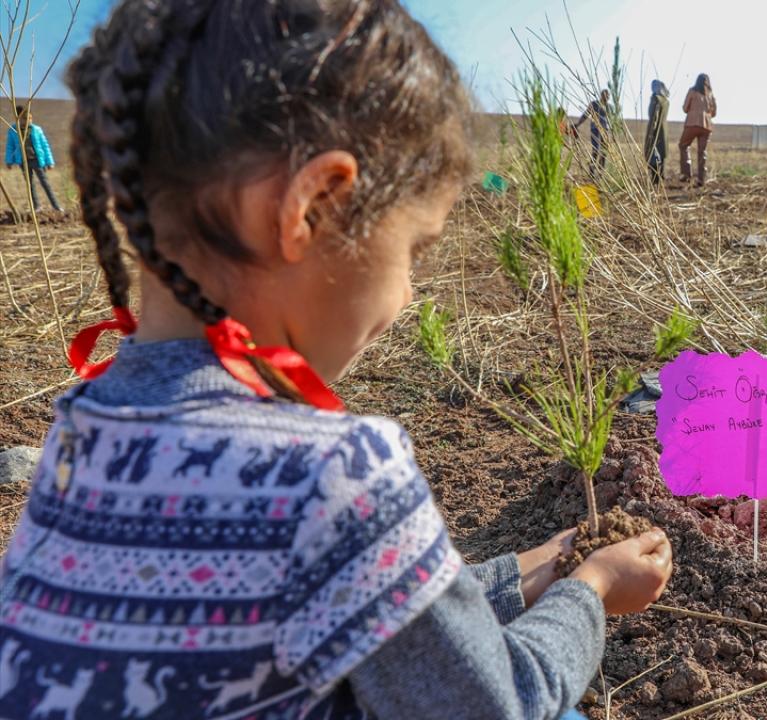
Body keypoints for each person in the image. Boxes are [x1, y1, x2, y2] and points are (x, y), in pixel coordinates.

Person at [0, 3, 674, 720]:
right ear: (315, 206)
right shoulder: (333, 473)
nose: (409, 294)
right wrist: (590, 589)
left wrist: (529, 572)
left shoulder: (82, 430)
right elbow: (499, 704)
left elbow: (335, 605)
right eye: (413, 251)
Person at [5, 105, 62, 212]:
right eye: (25, 118)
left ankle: (56, 206)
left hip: (37, 160)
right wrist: (9, 161)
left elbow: (45, 146)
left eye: (30, 118)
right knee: (30, 185)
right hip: (24, 162)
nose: (28, 121)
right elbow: (10, 146)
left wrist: (49, 162)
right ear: (18, 118)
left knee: (45, 183)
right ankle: (36, 206)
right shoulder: (13, 130)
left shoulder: (37, 130)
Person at [678, 73, 716, 186]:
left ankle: (686, 174)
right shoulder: (710, 94)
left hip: (692, 123)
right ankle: (701, 178)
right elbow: (714, 112)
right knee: (702, 151)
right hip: (706, 126)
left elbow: (685, 108)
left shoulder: (692, 91)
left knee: (684, 145)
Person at [574, 89, 611, 180]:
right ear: (601, 95)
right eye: (605, 96)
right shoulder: (594, 104)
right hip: (596, 130)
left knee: (604, 153)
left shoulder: (608, 107)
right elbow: (586, 114)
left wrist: (611, 133)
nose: (607, 98)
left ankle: (600, 174)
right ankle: (591, 171)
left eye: (608, 96)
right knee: (596, 150)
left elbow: (610, 121)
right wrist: (578, 124)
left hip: (605, 131)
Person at [643, 80, 670, 187]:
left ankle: (655, 179)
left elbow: (654, 117)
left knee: (653, 153)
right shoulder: (666, 100)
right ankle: (660, 177)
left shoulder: (655, 98)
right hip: (664, 130)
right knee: (661, 154)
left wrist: (651, 133)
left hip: (655, 130)